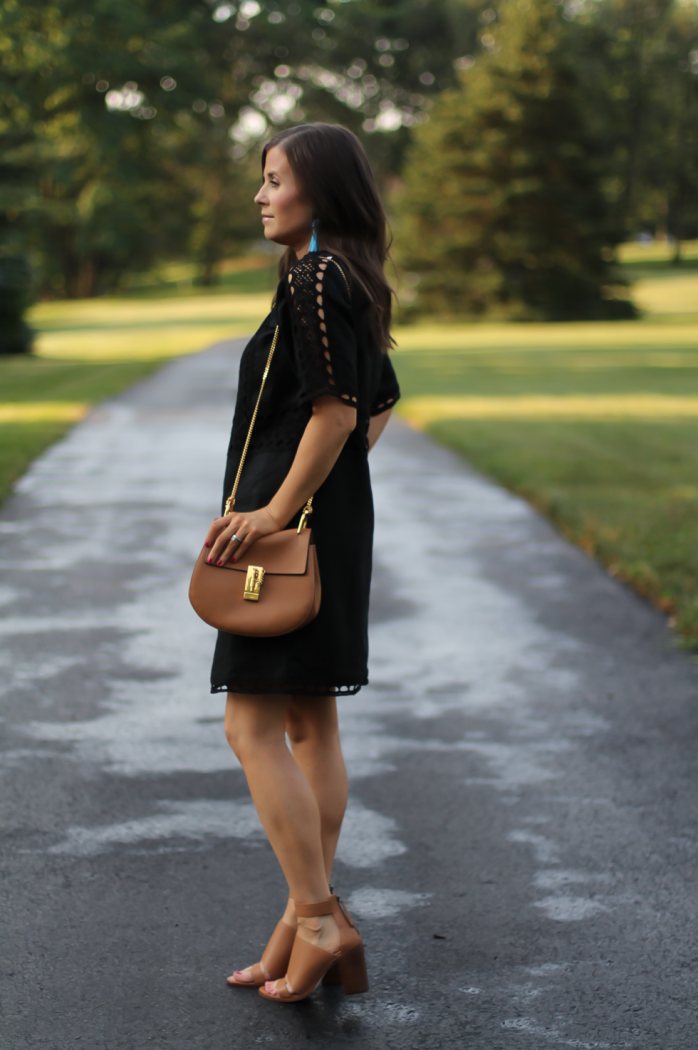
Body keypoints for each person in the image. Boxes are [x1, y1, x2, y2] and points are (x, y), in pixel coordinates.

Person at [203, 123, 400, 1004]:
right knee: (309, 728)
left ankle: (318, 918)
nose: (261, 194)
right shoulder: (343, 276)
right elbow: (377, 409)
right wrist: (333, 497)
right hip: (330, 526)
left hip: (290, 536)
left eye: (274, 178)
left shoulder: (316, 276)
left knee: (251, 728)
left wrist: (277, 510)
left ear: (317, 191)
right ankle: (301, 921)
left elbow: (336, 413)